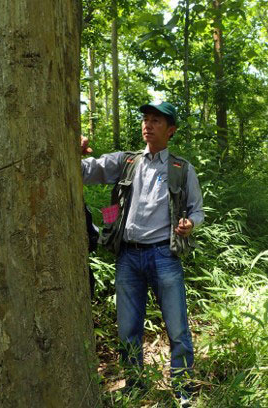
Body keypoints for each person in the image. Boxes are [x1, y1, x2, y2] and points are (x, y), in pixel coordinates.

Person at [81, 101, 204, 406]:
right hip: (128, 258)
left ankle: (183, 388)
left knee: (177, 328)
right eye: (146, 120)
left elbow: (196, 211)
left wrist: (190, 223)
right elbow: (86, 172)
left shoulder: (181, 169)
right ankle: (135, 384)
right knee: (128, 329)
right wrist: (76, 149)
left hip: (165, 255)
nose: (148, 125)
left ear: (171, 130)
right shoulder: (126, 162)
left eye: (157, 121)